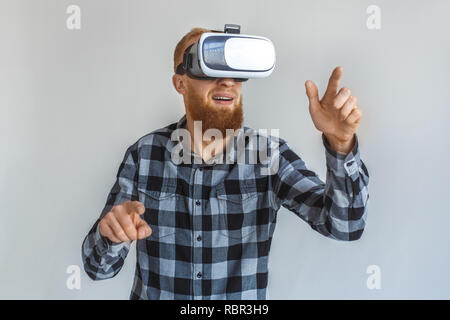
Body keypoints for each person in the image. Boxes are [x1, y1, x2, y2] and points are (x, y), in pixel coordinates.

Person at [81, 27, 370, 300]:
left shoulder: (269, 156)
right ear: (180, 83)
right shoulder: (144, 156)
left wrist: (340, 145)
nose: (227, 80)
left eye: (234, 69)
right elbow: (98, 268)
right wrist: (110, 235)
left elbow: (346, 225)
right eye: (208, 66)